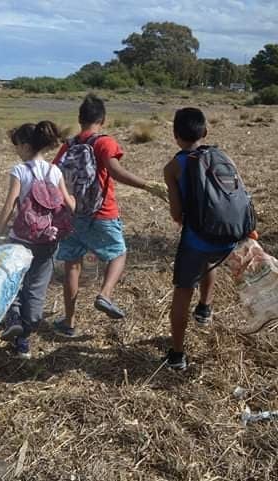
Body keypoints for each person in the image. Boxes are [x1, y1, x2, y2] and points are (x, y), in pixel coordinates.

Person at [52, 94, 167, 337]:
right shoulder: (104, 142)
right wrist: (147, 185)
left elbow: (53, 175)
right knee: (118, 254)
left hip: (72, 213)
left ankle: (69, 322)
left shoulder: (69, 144)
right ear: (102, 119)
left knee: (72, 265)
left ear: (80, 118)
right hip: (101, 213)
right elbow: (115, 171)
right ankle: (105, 295)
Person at [0, 121, 75, 358]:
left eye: (17, 146)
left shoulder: (20, 171)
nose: (16, 150)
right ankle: (24, 337)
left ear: (25, 145)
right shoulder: (54, 171)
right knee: (35, 289)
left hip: (21, 239)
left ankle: (13, 316)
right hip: (47, 241)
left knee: (13, 281)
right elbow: (69, 203)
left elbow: (10, 203)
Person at [162, 108, 236, 370]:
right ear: (205, 133)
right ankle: (205, 308)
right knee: (209, 262)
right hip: (228, 238)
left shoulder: (173, 167)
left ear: (175, 136)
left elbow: (176, 214)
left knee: (183, 290)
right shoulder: (222, 156)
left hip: (197, 239)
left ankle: (177, 355)